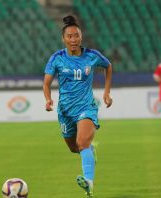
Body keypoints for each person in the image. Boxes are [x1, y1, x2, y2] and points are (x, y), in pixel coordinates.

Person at [43, 15, 113, 197]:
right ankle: (91, 151)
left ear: (81, 37)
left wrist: (106, 92)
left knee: (82, 143)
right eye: (69, 36)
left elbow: (108, 66)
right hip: (65, 110)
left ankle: (88, 183)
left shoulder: (92, 56)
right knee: (74, 147)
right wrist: (48, 99)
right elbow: (46, 83)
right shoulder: (57, 58)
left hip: (86, 107)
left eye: (76, 36)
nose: (73, 39)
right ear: (63, 39)